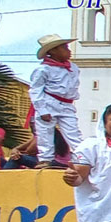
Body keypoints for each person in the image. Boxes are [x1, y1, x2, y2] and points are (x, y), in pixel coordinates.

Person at [29, 34, 83, 167]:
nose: (69, 51)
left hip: (67, 104)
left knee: (73, 132)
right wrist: (42, 110)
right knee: (45, 132)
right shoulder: (43, 69)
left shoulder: (73, 68)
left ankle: (82, 157)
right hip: (49, 102)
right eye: (65, 48)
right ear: (53, 51)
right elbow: (35, 90)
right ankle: (45, 159)